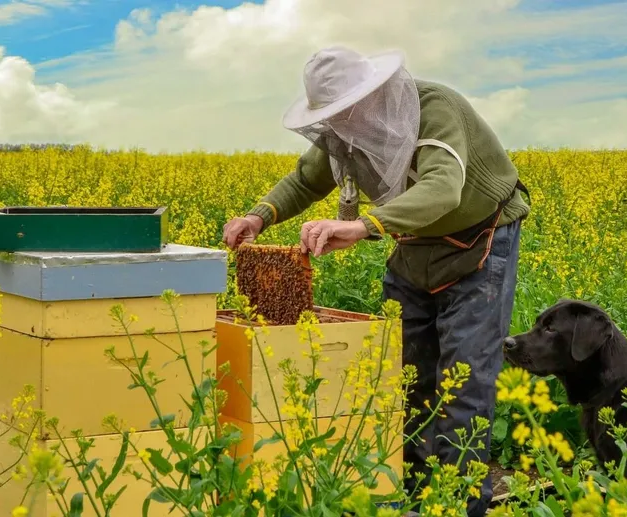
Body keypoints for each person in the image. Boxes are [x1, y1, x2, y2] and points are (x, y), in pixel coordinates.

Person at [222, 45, 530, 516]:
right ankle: (406, 491)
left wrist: (362, 226)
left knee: (464, 379)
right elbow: (305, 180)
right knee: (401, 377)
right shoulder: (346, 133)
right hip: (412, 243)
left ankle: (457, 505)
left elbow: (443, 188)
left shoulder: (434, 110)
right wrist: (259, 216)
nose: (340, 121)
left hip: (481, 239)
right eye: (332, 114)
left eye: (346, 109)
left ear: (374, 94)